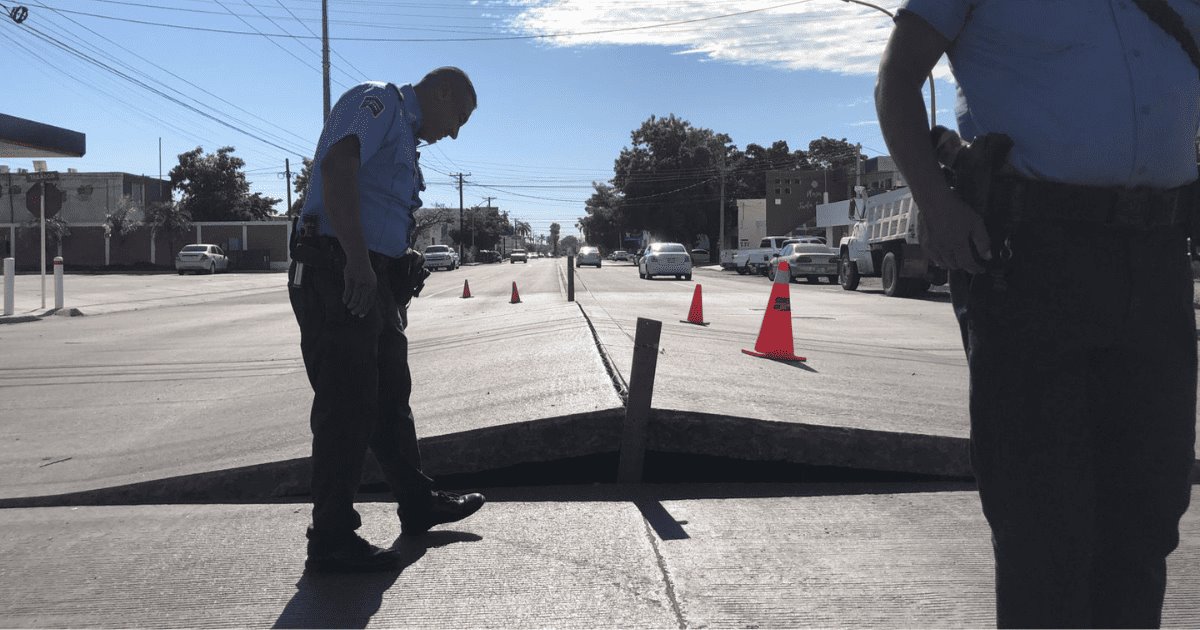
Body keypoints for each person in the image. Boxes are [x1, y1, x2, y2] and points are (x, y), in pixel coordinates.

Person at [876, 3, 1199, 627]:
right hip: (1032, 257)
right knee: (1041, 515)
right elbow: (896, 79)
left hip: (1159, 258)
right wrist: (936, 201)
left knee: (1149, 506)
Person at [289, 67, 485, 573]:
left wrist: (397, 260)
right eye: (459, 117)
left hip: (368, 277)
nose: (456, 132)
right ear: (441, 91)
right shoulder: (374, 101)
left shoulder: (404, 133)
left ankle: (417, 503)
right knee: (347, 404)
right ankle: (330, 536)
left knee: (389, 398)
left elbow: (378, 204)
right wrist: (357, 258)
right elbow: (337, 165)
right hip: (336, 271)